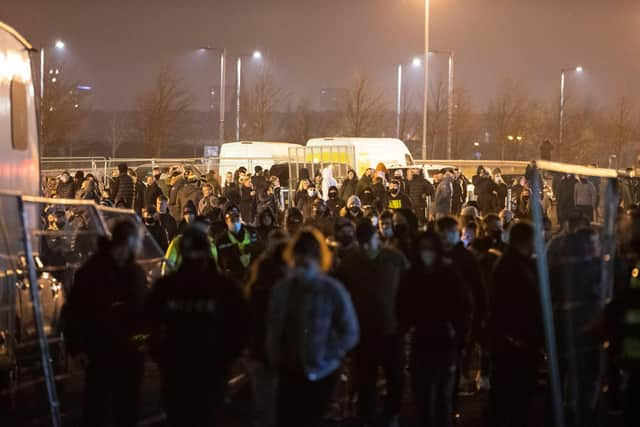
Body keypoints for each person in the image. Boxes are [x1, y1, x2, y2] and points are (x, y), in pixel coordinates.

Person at [146, 225, 248, 426]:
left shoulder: (221, 287)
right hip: (188, 369)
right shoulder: (222, 287)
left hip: (200, 369)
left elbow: (241, 326)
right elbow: (150, 324)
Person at [266, 228, 359, 427]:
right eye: (299, 259)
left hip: (322, 372)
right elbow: (273, 328)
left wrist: (330, 356)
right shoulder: (282, 290)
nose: (302, 265)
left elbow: (350, 331)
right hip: (290, 369)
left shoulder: (331, 290)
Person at [64, 219, 147, 427]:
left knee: (126, 411)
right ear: (128, 241)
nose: (140, 246)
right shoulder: (93, 271)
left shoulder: (134, 272)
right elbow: (73, 311)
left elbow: (143, 312)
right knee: (97, 409)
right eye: (138, 241)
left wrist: (143, 342)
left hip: (129, 354)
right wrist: (78, 348)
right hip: (100, 351)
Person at [336, 221, 408, 427]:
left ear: (377, 238)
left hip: (391, 330)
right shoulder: (350, 263)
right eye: (362, 243)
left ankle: (391, 414)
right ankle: (367, 417)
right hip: (363, 332)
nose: (366, 247)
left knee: (395, 376)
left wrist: (405, 321)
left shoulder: (394, 259)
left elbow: (409, 289)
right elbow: (339, 293)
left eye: (369, 241)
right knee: (365, 380)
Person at [397, 231, 472, 427]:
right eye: (423, 249)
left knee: (442, 397)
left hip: (444, 341)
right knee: (421, 397)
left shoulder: (449, 274)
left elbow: (463, 307)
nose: (426, 253)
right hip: (420, 341)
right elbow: (402, 306)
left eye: (430, 249)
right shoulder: (412, 276)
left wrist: (461, 338)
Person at [487, 221, 543, 427]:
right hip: (512, 345)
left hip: (520, 342)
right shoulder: (510, 267)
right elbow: (509, 307)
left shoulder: (521, 264)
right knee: (508, 400)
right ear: (526, 241)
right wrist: (518, 338)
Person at [246, 235, 289, 427]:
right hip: (283, 354)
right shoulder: (290, 286)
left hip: (262, 354)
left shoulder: (257, 285)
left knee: (266, 407)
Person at [215, 204, 260, 283]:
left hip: (254, 279)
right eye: (231, 218)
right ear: (225, 220)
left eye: (236, 216)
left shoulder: (252, 233)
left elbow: (261, 252)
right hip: (232, 282)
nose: (234, 221)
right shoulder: (221, 240)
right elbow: (219, 264)